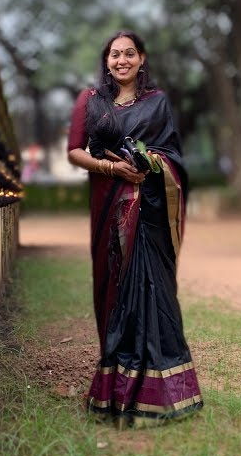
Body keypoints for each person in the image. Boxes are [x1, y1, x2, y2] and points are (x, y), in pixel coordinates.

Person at [66, 29, 203, 428]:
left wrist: (150, 164)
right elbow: (75, 151)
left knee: (156, 292)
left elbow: (173, 155)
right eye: (114, 55)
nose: (121, 60)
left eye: (129, 53)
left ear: (142, 59)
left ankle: (162, 391)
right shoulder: (90, 102)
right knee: (114, 293)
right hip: (110, 209)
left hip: (150, 214)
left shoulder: (158, 103)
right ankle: (115, 390)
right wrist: (112, 167)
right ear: (106, 61)